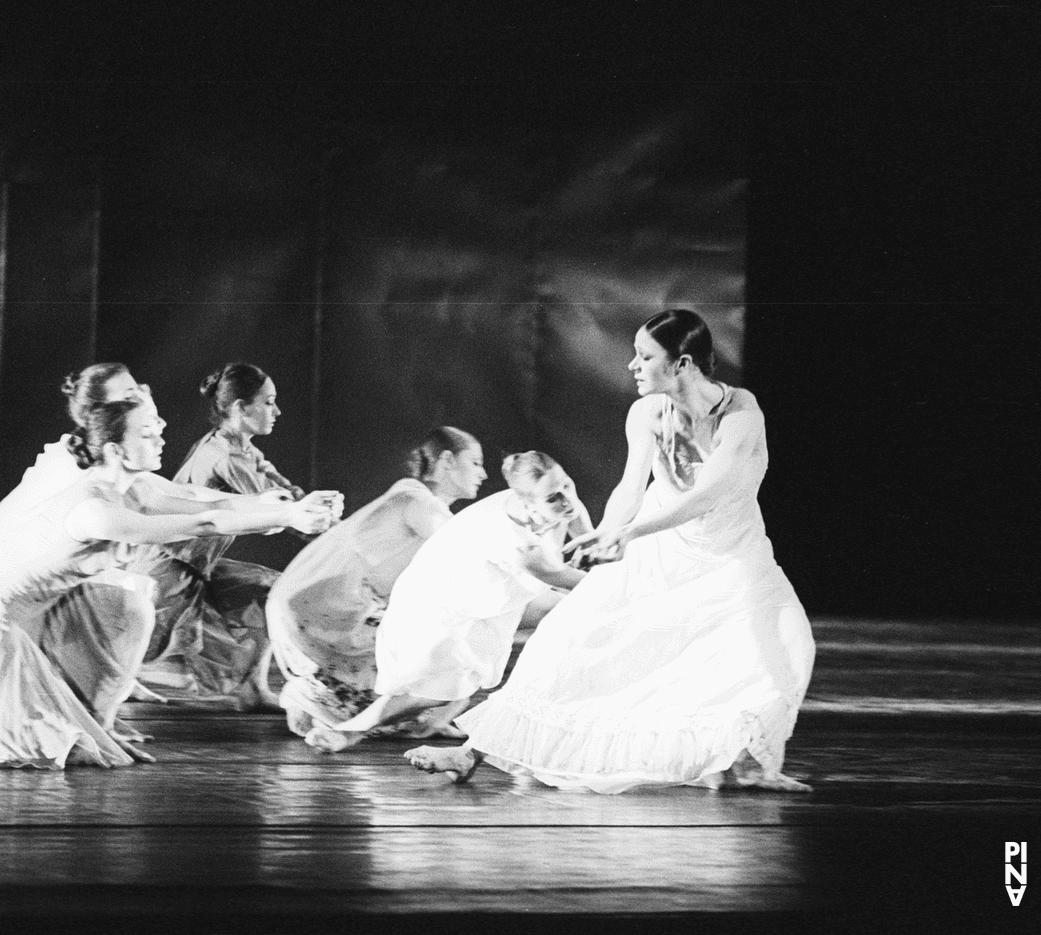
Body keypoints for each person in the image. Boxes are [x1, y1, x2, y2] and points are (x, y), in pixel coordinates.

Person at [406, 309, 815, 791]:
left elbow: (707, 495)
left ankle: (748, 761)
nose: (632, 366)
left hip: (732, 556)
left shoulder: (741, 415)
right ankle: (469, 753)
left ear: (682, 364)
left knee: (785, 645)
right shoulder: (646, 412)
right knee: (569, 637)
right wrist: (607, 532)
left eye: (645, 357)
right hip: (656, 549)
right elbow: (629, 486)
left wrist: (629, 535)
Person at [0, 398, 335, 770]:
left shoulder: (133, 483)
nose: (161, 441)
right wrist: (288, 518)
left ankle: (95, 717)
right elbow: (199, 526)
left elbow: (212, 504)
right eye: (147, 436)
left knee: (131, 600)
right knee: (5, 737)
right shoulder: (95, 511)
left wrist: (290, 507)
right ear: (114, 448)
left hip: (36, 597)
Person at [0, 363, 340, 736]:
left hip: (50, 582)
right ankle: (92, 703)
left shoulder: (120, 477)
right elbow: (203, 521)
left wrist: (279, 508)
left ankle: (104, 703)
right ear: (111, 432)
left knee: (143, 608)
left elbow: (197, 499)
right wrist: (286, 515)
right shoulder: (82, 489)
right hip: (3, 600)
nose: (160, 424)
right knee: (136, 611)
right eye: (137, 407)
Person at [304, 451, 592, 753]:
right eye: (553, 498)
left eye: (567, 486)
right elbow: (569, 578)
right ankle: (350, 730)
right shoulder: (518, 543)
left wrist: (598, 541)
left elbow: (582, 527)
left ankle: (424, 721)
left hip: (484, 596)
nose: (567, 500)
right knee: (437, 687)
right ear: (527, 502)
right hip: (439, 598)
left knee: (460, 682)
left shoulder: (544, 496)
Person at [267, 427, 486, 736]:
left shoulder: (412, 497)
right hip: (327, 613)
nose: (483, 473)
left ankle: (324, 701)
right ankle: (320, 700)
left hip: (315, 610)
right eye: (475, 462)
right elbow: (471, 555)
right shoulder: (418, 501)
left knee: (443, 648)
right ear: (448, 460)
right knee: (458, 648)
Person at [129, 363, 325, 709]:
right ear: (239, 408)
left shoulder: (243, 449)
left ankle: (251, 691)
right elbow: (273, 516)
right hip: (169, 567)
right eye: (268, 402)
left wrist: (304, 503)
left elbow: (281, 492)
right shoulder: (224, 456)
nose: (276, 411)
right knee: (149, 643)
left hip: (197, 564)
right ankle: (100, 684)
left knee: (271, 592)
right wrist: (328, 530)